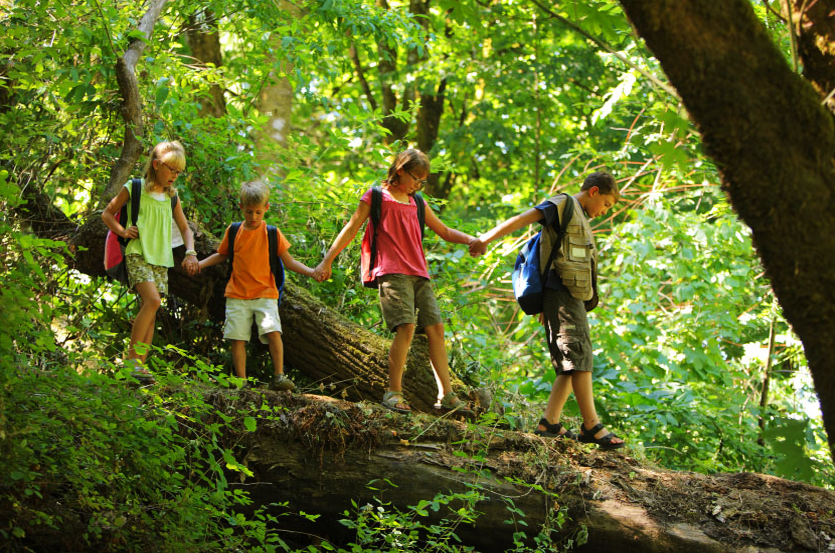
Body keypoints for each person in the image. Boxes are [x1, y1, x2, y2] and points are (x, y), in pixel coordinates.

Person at [469, 171, 625, 449]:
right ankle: (591, 425)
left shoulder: (579, 217)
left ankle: (549, 422)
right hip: (561, 294)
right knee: (578, 356)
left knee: (572, 358)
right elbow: (523, 219)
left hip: (569, 296)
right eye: (607, 204)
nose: (604, 211)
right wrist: (485, 239)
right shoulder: (563, 205)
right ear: (594, 192)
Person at [314, 148, 476, 413]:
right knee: (406, 327)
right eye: (416, 177)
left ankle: (446, 395)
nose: (418, 184)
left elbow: (444, 231)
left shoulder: (418, 202)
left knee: (436, 329)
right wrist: (327, 260)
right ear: (400, 170)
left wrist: (471, 240)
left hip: (419, 273)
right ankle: (393, 393)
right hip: (391, 270)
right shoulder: (377, 197)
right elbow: (351, 228)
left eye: (423, 181)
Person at [198, 180, 317, 391]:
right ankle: (241, 380)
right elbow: (221, 255)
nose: (253, 217)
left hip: (265, 294)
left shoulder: (272, 233)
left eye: (258, 212)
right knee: (237, 337)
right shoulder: (234, 231)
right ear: (241, 207)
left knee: (273, 332)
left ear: (266, 209)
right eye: (249, 212)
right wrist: (199, 264)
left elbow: (289, 262)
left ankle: (279, 376)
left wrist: (312, 272)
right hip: (237, 293)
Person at [102, 140, 200, 381]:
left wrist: (190, 251)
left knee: (153, 307)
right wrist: (123, 232)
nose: (175, 176)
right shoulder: (134, 188)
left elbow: (186, 229)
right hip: (137, 253)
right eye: (171, 170)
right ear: (156, 165)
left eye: (179, 172)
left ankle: (140, 368)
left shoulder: (172, 198)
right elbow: (107, 213)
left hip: (161, 259)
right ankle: (131, 363)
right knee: (153, 300)